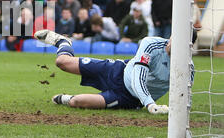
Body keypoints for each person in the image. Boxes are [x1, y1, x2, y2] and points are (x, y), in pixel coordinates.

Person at [34, 29, 195, 113]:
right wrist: (150, 104)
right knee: (61, 62)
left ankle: (65, 98)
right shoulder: (151, 44)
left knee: (77, 102)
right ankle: (62, 41)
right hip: (118, 71)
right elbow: (138, 76)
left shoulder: (187, 69)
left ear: (187, 46)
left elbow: (183, 97)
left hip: (128, 99)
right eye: (174, 37)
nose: (172, 42)